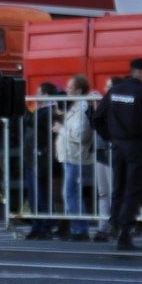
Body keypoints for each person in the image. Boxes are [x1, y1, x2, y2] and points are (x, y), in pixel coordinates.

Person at [101, 57, 142, 250]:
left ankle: (115, 225)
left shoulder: (113, 91)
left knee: (118, 187)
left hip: (118, 146)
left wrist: (110, 135)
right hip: (136, 146)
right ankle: (125, 234)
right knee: (133, 190)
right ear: (140, 72)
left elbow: (97, 117)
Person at [55, 76, 96, 239]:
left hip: (77, 158)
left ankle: (80, 230)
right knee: (72, 194)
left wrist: (61, 129)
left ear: (79, 90)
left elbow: (81, 136)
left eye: (70, 87)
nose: (67, 90)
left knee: (71, 194)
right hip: (71, 157)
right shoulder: (76, 107)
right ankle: (78, 228)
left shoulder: (82, 109)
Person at [23, 81, 62, 239]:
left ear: (46, 95)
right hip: (33, 158)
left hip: (40, 158)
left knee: (40, 194)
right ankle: (38, 226)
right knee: (35, 194)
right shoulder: (42, 111)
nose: (36, 97)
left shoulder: (48, 112)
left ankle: (44, 225)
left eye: (39, 93)